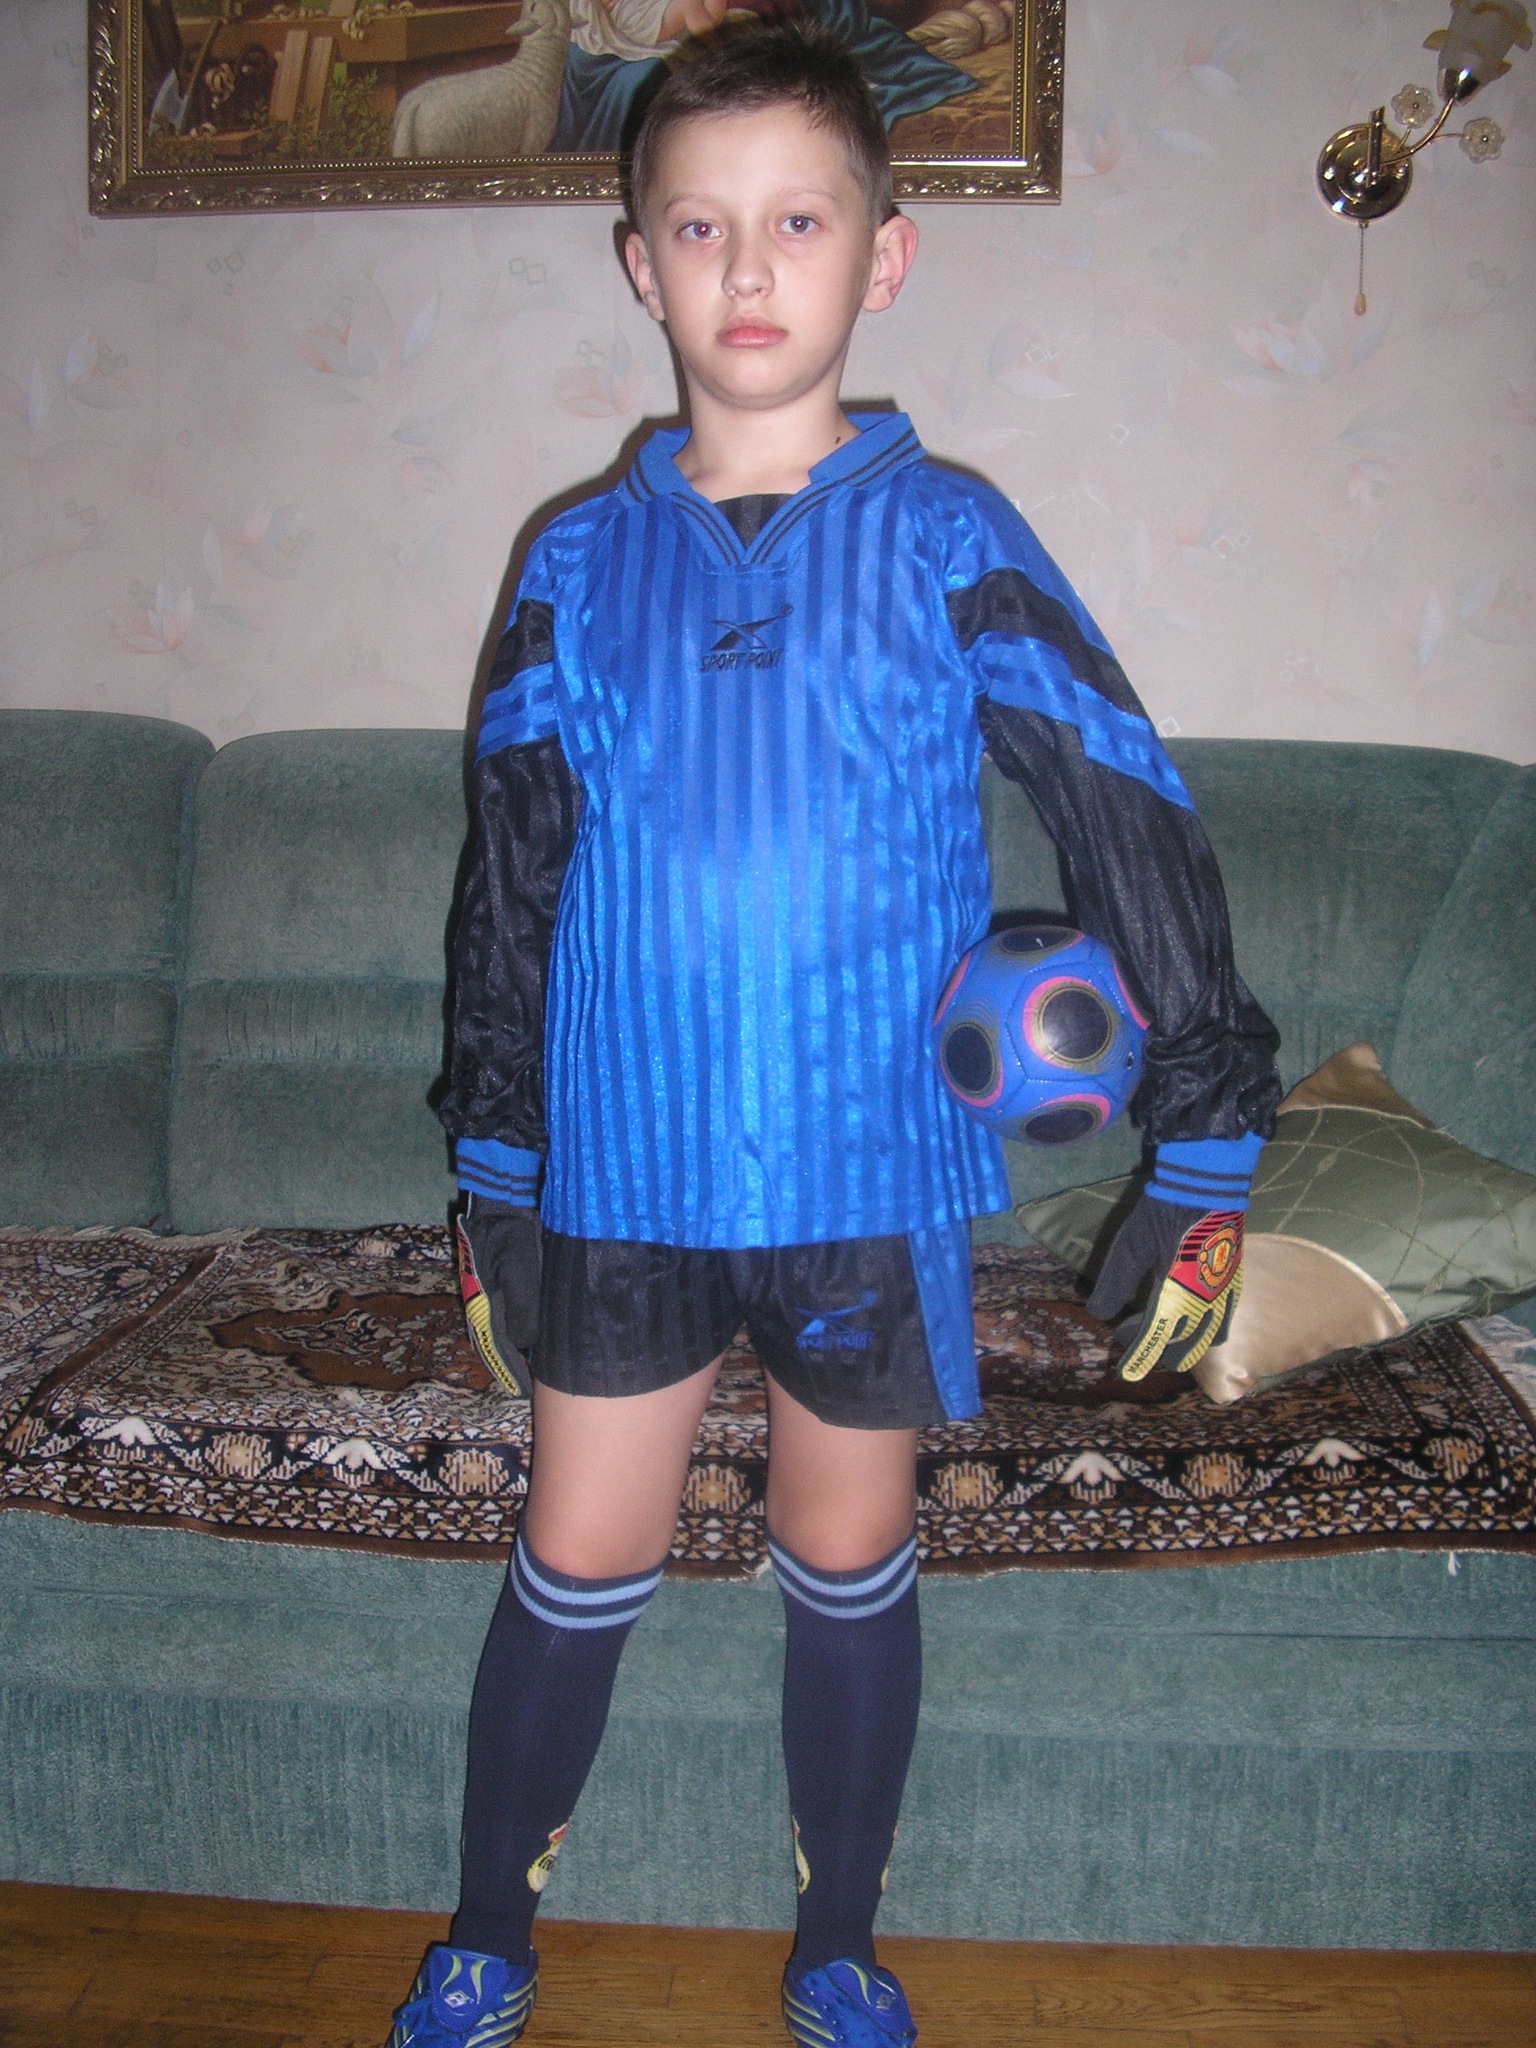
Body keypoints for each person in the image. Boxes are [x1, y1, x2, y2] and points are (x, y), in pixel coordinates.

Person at [386, 24, 1279, 2048]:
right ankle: (486, 1934)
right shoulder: (574, 560)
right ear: (640, 263)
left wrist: (1209, 1135)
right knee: (578, 1547)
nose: (749, 266)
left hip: (866, 1165)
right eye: (701, 227)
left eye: (799, 221)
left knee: (845, 1544)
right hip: (623, 1162)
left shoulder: (952, 532)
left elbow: (1124, 804)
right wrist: (495, 1159)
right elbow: (509, 868)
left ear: (885, 254)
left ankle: (838, 1945)